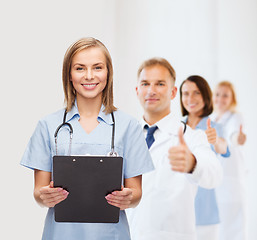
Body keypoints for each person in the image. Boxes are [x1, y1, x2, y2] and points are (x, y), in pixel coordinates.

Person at [20, 37, 154, 240]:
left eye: (98, 67)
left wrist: (128, 198)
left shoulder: (129, 127)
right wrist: (45, 196)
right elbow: (39, 193)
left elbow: (136, 194)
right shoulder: (48, 126)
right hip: (61, 234)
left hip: (111, 234)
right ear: (69, 75)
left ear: (108, 73)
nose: (89, 76)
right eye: (80, 68)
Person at [126, 58, 223, 240]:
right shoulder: (125, 137)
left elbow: (215, 174)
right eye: (145, 83)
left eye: (160, 84)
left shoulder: (191, 137)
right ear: (137, 90)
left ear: (172, 92)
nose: (151, 90)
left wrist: (192, 163)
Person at [179, 75, 230, 240]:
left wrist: (215, 141)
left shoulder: (214, 128)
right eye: (185, 93)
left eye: (196, 93)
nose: (190, 98)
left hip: (205, 212)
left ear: (205, 96)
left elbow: (223, 148)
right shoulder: (176, 127)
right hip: (179, 209)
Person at [211, 81, 248, 240]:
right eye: (218, 94)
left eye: (225, 95)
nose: (220, 98)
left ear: (232, 99)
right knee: (219, 227)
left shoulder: (235, 116)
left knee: (234, 225)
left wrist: (237, 138)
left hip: (231, 178)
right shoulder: (211, 118)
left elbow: (234, 135)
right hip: (216, 178)